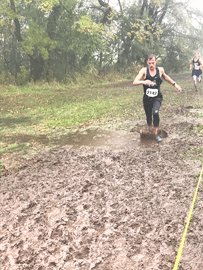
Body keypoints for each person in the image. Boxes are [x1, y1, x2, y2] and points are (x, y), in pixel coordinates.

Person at [133, 54, 182, 143]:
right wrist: (144, 81)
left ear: (156, 62)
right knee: (149, 118)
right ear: (147, 62)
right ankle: (149, 130)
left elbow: (166, 77)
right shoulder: (144, 71)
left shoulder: (160, 70)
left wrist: (175, 85)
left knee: (155, 112)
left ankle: (156, 134)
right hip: (147, 99)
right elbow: (135, 82)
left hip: (157, 97)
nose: (151, 65)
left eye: (153, 63)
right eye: (149, 63)